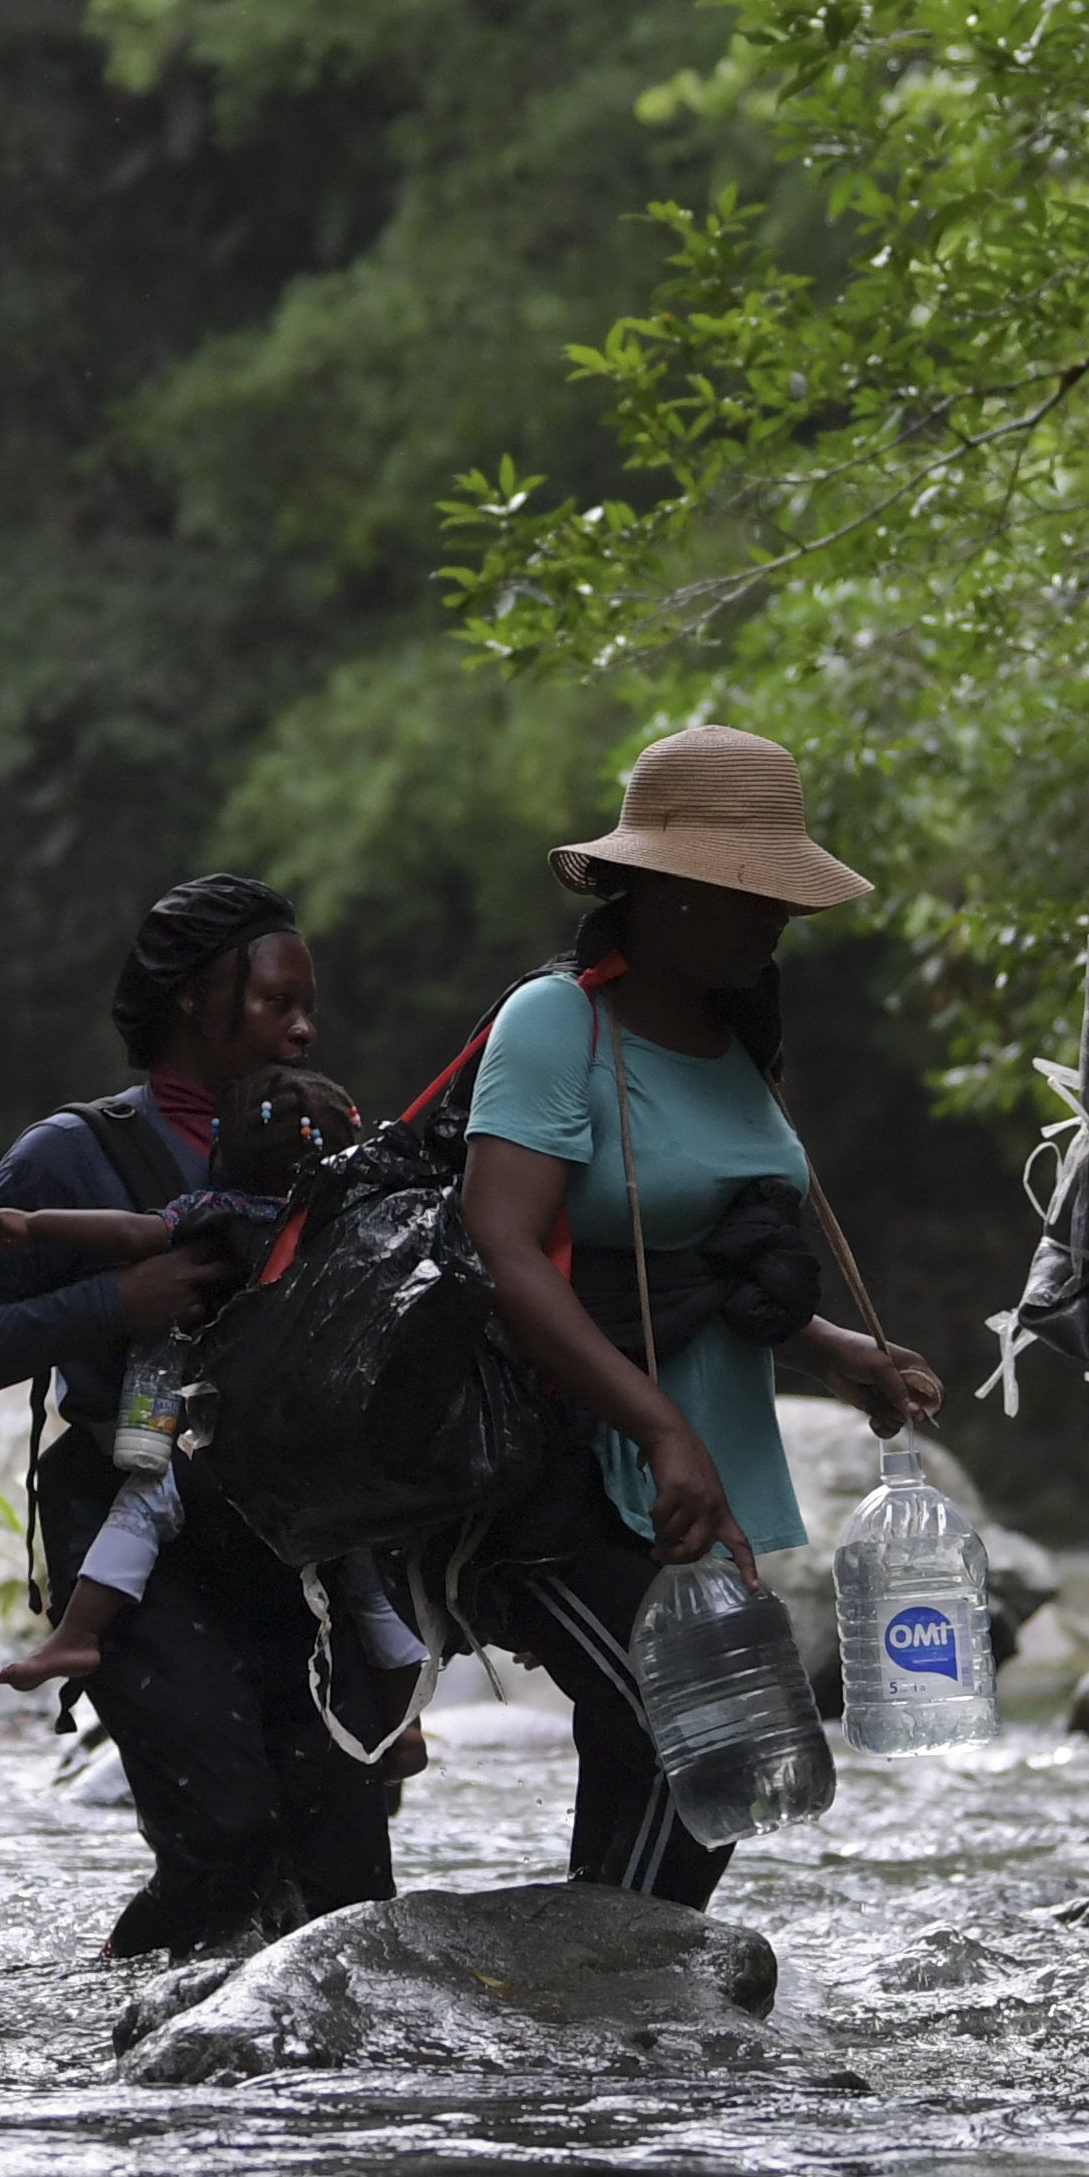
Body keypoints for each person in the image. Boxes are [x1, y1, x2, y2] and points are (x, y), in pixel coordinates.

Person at [454, 725, 944, 1907]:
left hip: (695, 1471)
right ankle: (604, 2009)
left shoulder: (737, 1039)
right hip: (564, 1460)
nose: (771, 919)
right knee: (681, 1726)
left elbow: (702, 1263)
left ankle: (613, 2038)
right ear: (656, 889)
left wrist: (828, 1351)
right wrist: (661, 1428)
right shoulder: (554, 1023)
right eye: (746, 891)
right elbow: (504, 1246)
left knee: (702, 1755)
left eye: (781, 896)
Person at [0, 872, 398, 1958]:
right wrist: (111, 1302)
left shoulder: (317, 1149)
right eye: (277, 1003)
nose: (305, 1028)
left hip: (294, 1536)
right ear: (192, 998)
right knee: (223, 1835)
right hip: (132, 1525)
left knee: (348, 1882)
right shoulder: (71, 1153)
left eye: (307, 1005)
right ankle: (124, 2056)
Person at [0, 1068, 419, 1695]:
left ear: (224, 1153)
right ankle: (405, 1722)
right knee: (360, 1568)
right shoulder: (355, 1226)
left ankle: (77, 1635)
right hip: (328, 1439)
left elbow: (134, 1232)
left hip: (231, 1435)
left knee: (146, 1501)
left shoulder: (219, 1212)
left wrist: (37, 1224)